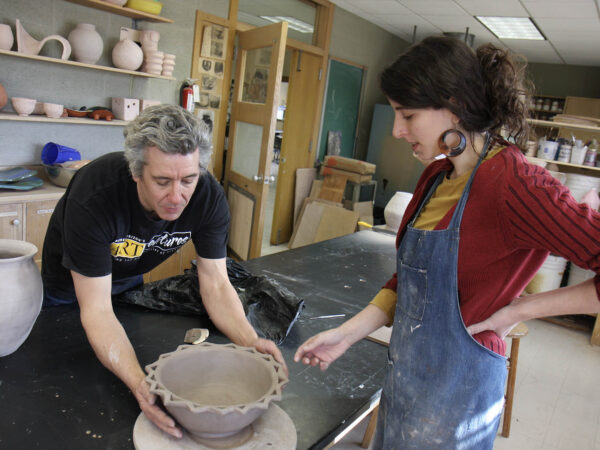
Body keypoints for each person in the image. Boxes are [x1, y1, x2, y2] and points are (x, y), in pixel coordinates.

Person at [294, 36, 600, 448]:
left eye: (409, 115)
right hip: (407, 378)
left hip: (460, 392)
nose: (399, 130)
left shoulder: (513, 182)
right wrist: (347, 334)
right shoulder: (436, 175)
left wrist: (523, 308)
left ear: (455, 105)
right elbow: (412, 282)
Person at [42, 104, 286, 439]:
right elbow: (97, 310)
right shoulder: (96, 195)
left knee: (124, 359)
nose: (177, 196)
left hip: (127, 280)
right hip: (68, 290)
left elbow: (215, 283)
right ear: (136, 172)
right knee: (66, 393)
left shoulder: (208, 198)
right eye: (161, 181)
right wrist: (141, 387)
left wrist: (249, 341)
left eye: (188, 179)